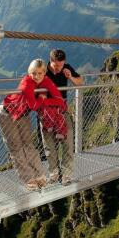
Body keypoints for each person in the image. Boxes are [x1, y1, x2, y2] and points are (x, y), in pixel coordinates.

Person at [0, 59, 67, 190]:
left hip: (23, 114)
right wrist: (42, 97)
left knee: (28, 144)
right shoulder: (27, 83)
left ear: (44, 73)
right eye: (34, 73)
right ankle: (28, 178)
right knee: (16, 147)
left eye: (40, 73)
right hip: (7, 113)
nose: (37, 76)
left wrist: (45, 100)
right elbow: (33, 105)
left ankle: (39, 175)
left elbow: (60, 101)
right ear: (30, 72)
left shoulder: (46, 81)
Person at [40, 49, 83, 185]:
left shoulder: (66, 68)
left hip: (62, 110)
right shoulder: (42, 70)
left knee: (68, 143)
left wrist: (70, 76)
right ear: (50, 61)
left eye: (61, 65)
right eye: (56, 66)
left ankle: (66, 175)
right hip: (46, 112)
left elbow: (80, 82)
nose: (59, 68)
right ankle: (54, 173)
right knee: (49, 146)